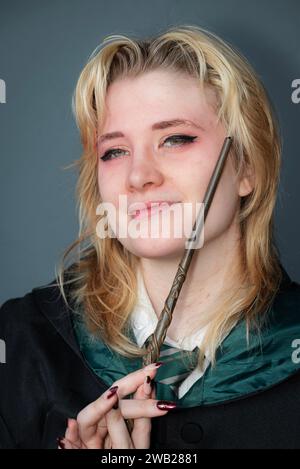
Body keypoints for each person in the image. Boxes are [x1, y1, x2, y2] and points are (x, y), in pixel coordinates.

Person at [1, 24, 300, 450]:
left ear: (247, 167)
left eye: (175, 139)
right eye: (114, 151)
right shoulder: (19, 344)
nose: (139, 176)